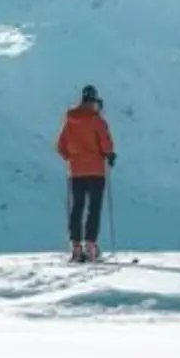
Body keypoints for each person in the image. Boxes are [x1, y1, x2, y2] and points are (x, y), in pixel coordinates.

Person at [55, 84, 116, 262]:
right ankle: (90, 245)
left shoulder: (69, 120)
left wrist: (71, 157)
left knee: (77, 208)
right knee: (94, 208)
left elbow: (60, 146)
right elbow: (105, 143)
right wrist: (109, 155)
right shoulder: (97, 120)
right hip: (96, 170)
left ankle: (75, 246)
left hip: (76, 171)